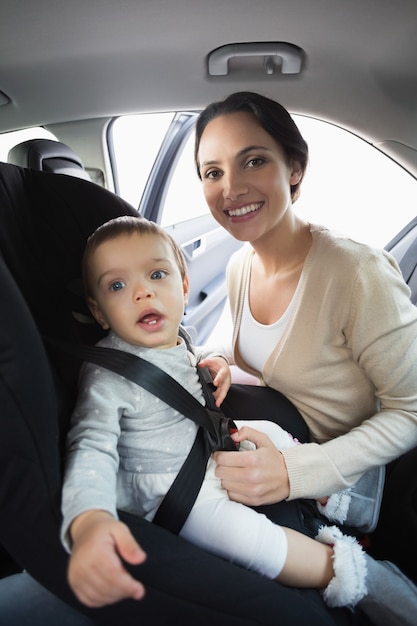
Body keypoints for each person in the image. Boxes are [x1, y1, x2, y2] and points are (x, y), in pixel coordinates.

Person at [61, 214, 417, 625]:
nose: (142, 292)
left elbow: (178, 372)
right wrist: (89, 516)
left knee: (270, 432)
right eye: (117, 286)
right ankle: (361, 577)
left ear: (183, 285)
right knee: (259, 544)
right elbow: (91, 446)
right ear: (99, 311)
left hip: (205, 447)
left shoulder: (173, 336)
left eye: (157, 274)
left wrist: (211, 364)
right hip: (173, 493)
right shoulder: (109, 375)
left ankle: (350, 502)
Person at [193, 90, 417, 623]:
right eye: (212, 172)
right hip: (287, 441)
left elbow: (412, 409)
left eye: (253, 160)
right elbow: (236, 345)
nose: (232, 188)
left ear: (295, 167)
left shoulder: (355, 273)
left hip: (356, 483)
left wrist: (297, 472)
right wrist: (220, 361)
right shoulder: (241, 266)